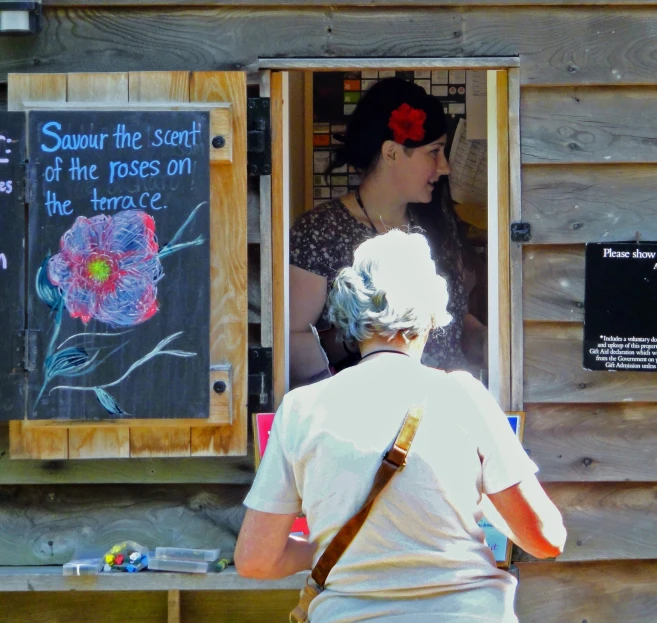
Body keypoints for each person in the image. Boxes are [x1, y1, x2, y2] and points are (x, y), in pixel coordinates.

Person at [235, 230, 566, 623]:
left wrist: (323, 549)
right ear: (431, 315)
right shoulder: (463, 395)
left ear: (349, 313)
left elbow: (256, 560)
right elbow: (545, 539)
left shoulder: (302, 408)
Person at [289, 77, 486, 388]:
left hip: (443, 408)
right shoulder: (319, 231)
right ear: (392, 153)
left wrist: (484, 341)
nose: (445, 167)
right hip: (364, 414)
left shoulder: (438, 223)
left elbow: (452, 321)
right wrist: (365, 333)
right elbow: (291, 347)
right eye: (434, 152)